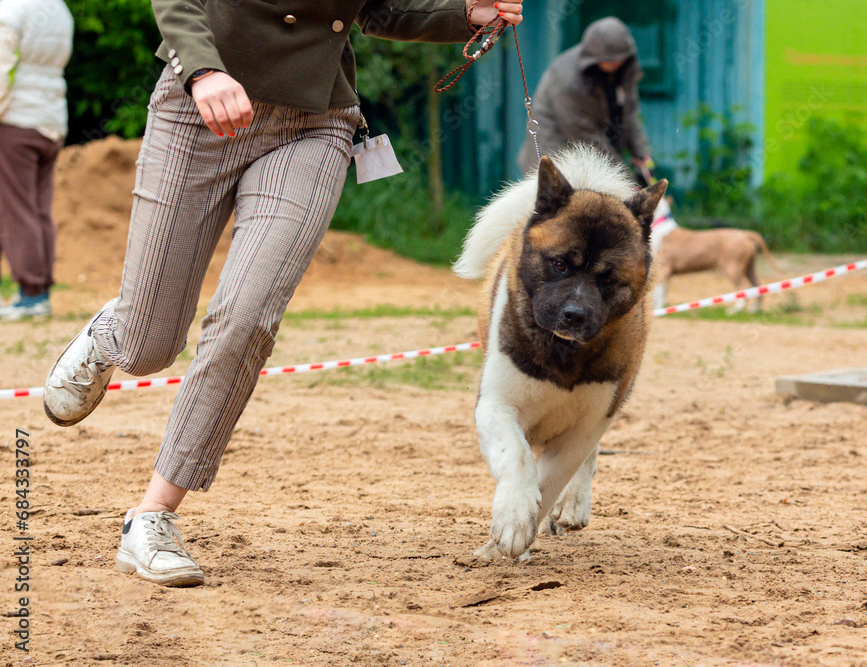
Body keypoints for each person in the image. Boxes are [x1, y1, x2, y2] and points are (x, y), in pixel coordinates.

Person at [42, 0, 524, 587]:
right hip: (198, 106)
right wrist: (202, 70)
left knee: (247, 318)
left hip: (315, 124)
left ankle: (152, 516)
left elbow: (378, 7)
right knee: (149, 346)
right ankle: (112, 334)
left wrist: (463, 13)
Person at [0, 0, 73, 321]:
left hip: (16, 120)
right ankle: (39, 292)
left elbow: (1, 64)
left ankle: (30, 296)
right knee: (38, 208)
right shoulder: (61, 10)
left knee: (18, 209)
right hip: (52, 121)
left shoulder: (12, 9)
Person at [516, 16, 652, 177]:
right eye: (609, 59)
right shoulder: (567, 80)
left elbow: (629, 114)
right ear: (594, 57)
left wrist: (643, 155)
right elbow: (586, 138)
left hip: (592, 154)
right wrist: (626, 178)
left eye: (619, 58)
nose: (615, 62)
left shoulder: (624, 71)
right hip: (556, 152)